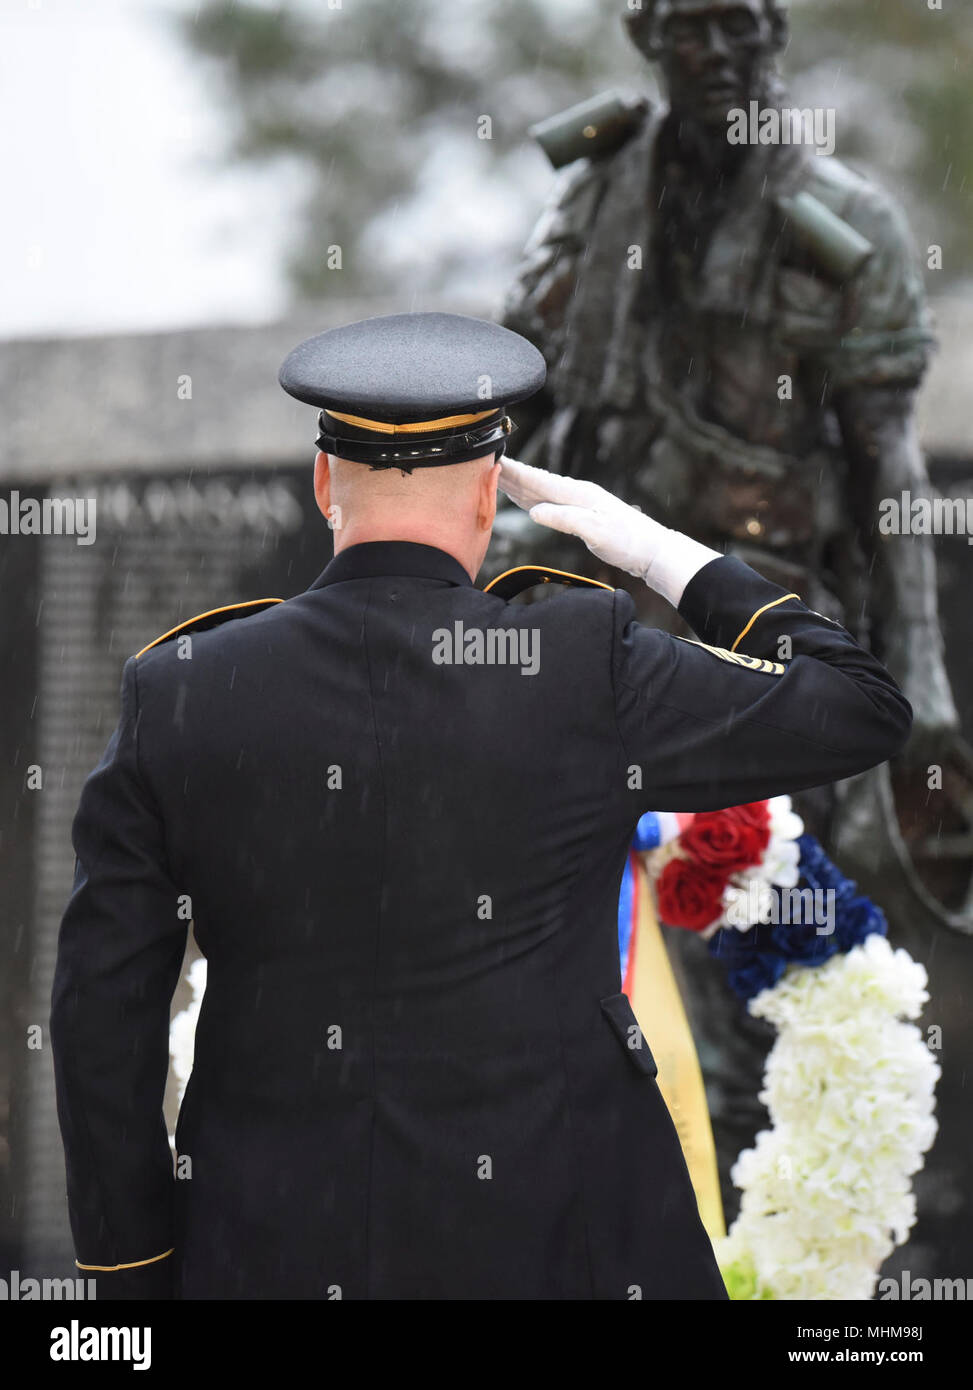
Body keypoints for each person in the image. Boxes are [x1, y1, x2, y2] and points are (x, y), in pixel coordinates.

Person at [49, 310, 911, 1300]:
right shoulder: (580, 663)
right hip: (556, 1243)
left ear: (324, 481)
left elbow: (99, 1014)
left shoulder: (182, 688)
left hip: (269, 1248)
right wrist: (660, 553)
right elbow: (862, 708)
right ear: (491, 491)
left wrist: (134, 1274)